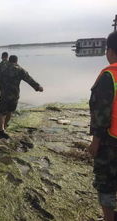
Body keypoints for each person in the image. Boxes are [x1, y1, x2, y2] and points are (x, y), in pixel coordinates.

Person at [88, 31, 117, 221]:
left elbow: (101, 115)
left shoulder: (109, 76)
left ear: (110, 51)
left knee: (106, 183)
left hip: (111, 142)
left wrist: (95, 143)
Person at [0, 55, 43, 138]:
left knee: (1, 112)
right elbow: (28, 79)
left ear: (9, 60)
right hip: (14, 95)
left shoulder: (3, 69)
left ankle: (1, 129)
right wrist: (37, 87)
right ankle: (4, 126)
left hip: (4, 94)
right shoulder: (20, 70)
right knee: (10, 111)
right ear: (16, 61)